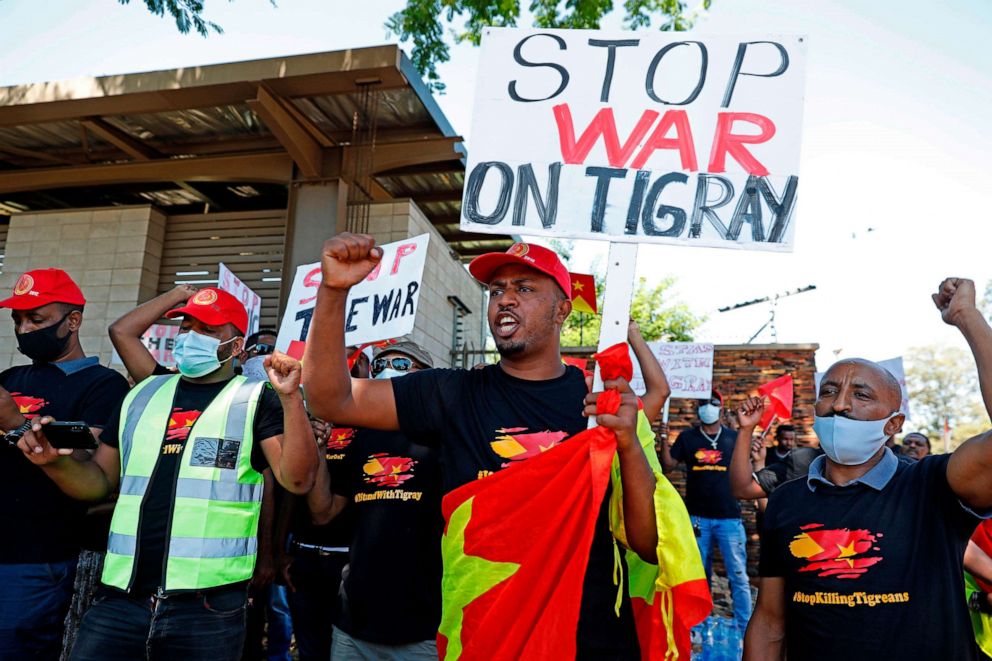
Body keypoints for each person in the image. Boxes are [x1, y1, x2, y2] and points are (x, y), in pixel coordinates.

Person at [301, 235, 659, 658]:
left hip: (585, 636)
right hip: (483, 635)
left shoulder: (599, 401)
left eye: (524, 289)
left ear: (562, 309)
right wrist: (333, 292)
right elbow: (330, 399)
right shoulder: (452, 393)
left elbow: (645, 541)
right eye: (496, 290)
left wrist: (629, 444)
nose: (505, 299)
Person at [18, 286, 320, 661]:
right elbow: (97, 484)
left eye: (207, 331)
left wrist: (291, 399)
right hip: (119, 599)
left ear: (237, 346)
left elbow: (297, 480)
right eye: (186, 327)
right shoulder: (143, 395)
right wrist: (56, 462)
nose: (191, 338)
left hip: (207, 608)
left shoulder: (257, 399)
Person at [744, 277, 992, 660]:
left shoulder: (933, 486)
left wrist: (968, 318)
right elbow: (770, 622)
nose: (840, 404)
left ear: (893, 425)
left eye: (861, 394)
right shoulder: (786, 501)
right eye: (829, 391)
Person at [0, 268, 130, 660]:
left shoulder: (103, 385)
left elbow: (86, 455)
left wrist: (15, 425)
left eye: (36, 319)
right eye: (18, 320)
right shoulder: (9, 376)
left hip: (37, 555)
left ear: (72, 321)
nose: (24, 329)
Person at [307, 339, 443, 660]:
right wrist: (320, 452)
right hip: (353, 627)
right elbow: (323, 512)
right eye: (380, 366)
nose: (386, 373)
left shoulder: (445, 437)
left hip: (423, 631)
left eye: (399, 365)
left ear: (426, 377)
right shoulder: (362, 435)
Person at [275, 348, 368, 661]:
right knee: (311, 649)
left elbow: (326, 510)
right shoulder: (307, 419)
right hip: (305, 559)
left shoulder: (371, 423)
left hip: (349, 564)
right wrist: (281, 549)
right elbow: (293, 490)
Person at [658, 390, 751, 635]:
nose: (707, 407)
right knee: (699, 576)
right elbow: (668, 465)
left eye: (712, 402)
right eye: (702, 403)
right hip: (697, 518)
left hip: (729, 518)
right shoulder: (688, 438)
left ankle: (746, 628)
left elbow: (746, 469)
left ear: (720, 406)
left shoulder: (733, 438)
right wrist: (663, 439)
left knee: (738, 576)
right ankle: (700, 627)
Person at [730, 417, 822, 500]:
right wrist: (746, 429)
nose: (788, 443)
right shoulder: (799, 461)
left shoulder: (802, 459)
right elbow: (744, 490)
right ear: (777, 438)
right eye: (785, 439)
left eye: (791, 439)